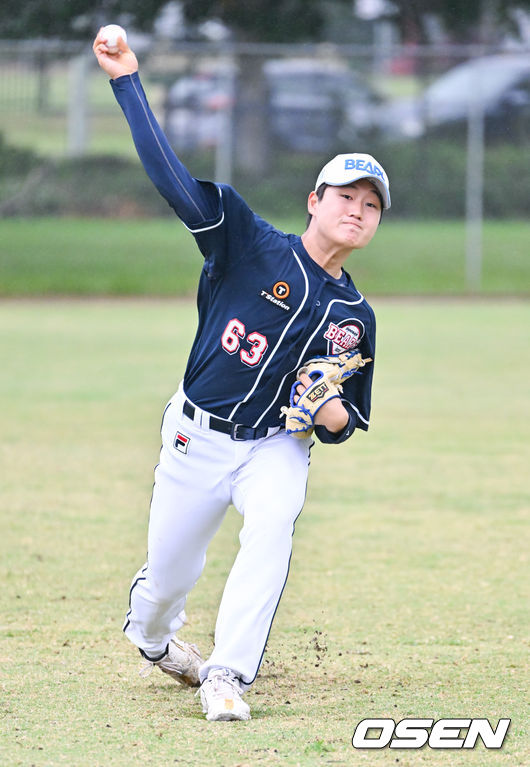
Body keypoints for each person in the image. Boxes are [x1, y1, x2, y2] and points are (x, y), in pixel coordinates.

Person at [93, 29, 390, 722]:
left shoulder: (356, 316)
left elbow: (348, 421)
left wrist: (328, 412)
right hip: (197, 436)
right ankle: (156, 636)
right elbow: (170, 177)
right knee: (168, 581)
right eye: (347, 194)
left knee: (274, 522)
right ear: (314, 200)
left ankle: (226, 673)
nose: (357, 209)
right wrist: (127, 80)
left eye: (371, 204)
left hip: (274, 446)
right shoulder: (248, 240)